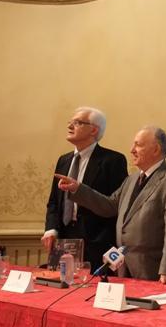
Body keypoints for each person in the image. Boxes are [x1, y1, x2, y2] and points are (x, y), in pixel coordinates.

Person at [56, 126, 166, 283]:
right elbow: (109, 205)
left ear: (156, 149)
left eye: (138, 145)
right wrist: (78, 189)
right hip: (124, 267)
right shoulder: (131, 179)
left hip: (154, 270)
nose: (132, 150)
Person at [42, 107, 127, 272]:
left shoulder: (113, 161)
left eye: (77, 123)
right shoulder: (63, 160)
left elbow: (115, 205)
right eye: (70, 122)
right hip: (63, 240)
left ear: (94, 130)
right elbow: (54, 202)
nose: (70, 126)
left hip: (96, 244)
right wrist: (51, 229)